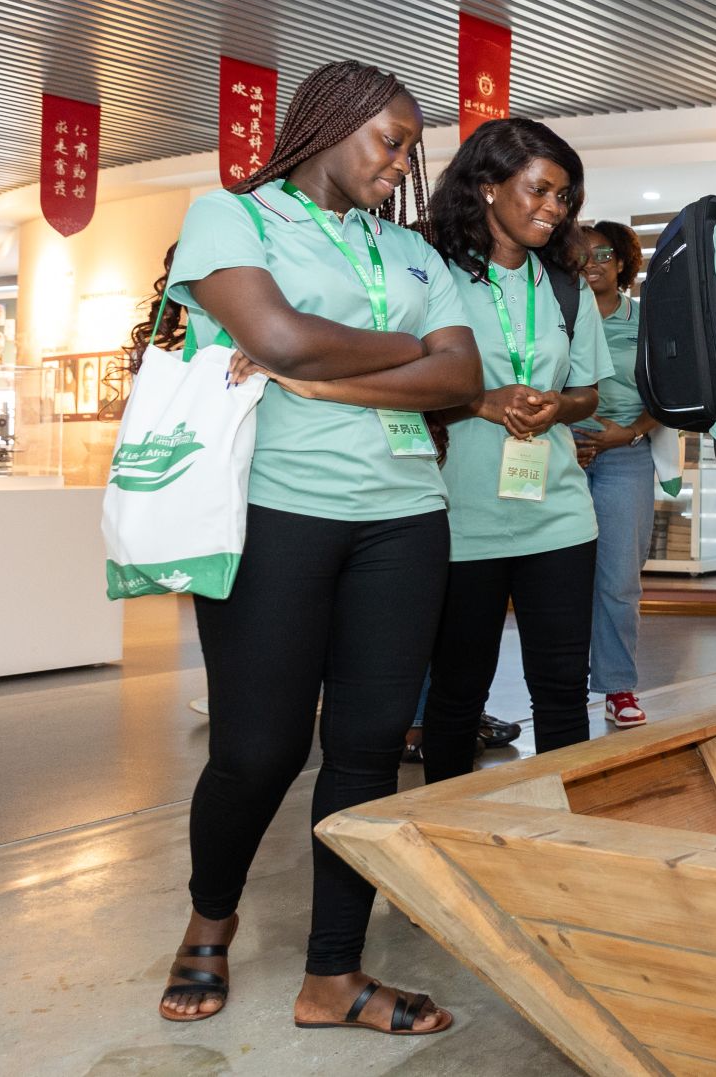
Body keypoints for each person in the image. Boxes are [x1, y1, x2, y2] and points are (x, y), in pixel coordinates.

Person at [148, 60, 480, 1035]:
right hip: (274, 511)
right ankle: (210, 919)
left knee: (368, 749)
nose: (403, 162)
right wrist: (408, 350)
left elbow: (461, 378)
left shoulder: (412, 252)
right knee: (257, 749)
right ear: (330, 125)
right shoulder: (232, 218)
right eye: (390, 140)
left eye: (411, 147)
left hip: (405, 517)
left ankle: (332, 975)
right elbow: (279, 337)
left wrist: (328, 369)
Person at [422, 119, 610, 782]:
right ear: (488, 186)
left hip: (558, 515)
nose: (554, 208)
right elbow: (400, 384)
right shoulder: (435, 277)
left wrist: (558, 406)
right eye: (540, 190)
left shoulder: (566, 286)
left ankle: (567, 829)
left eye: (564, 196)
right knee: (457, 692)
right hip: (460, 516)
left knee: (562, 690)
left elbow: (588, 393)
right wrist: (480, 402)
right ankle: (444, 825)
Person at [571, 220, 662, 726]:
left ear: (623, 261)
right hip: (562, 456)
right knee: (557, 579)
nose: (592, 263)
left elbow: (669, 393)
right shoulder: (558, 314)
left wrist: (628, 433)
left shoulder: (646, 320)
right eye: (582, 255)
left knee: (619, 580)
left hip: (626, 458)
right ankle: (561, 687)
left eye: (603, 254)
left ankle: (618, 687)